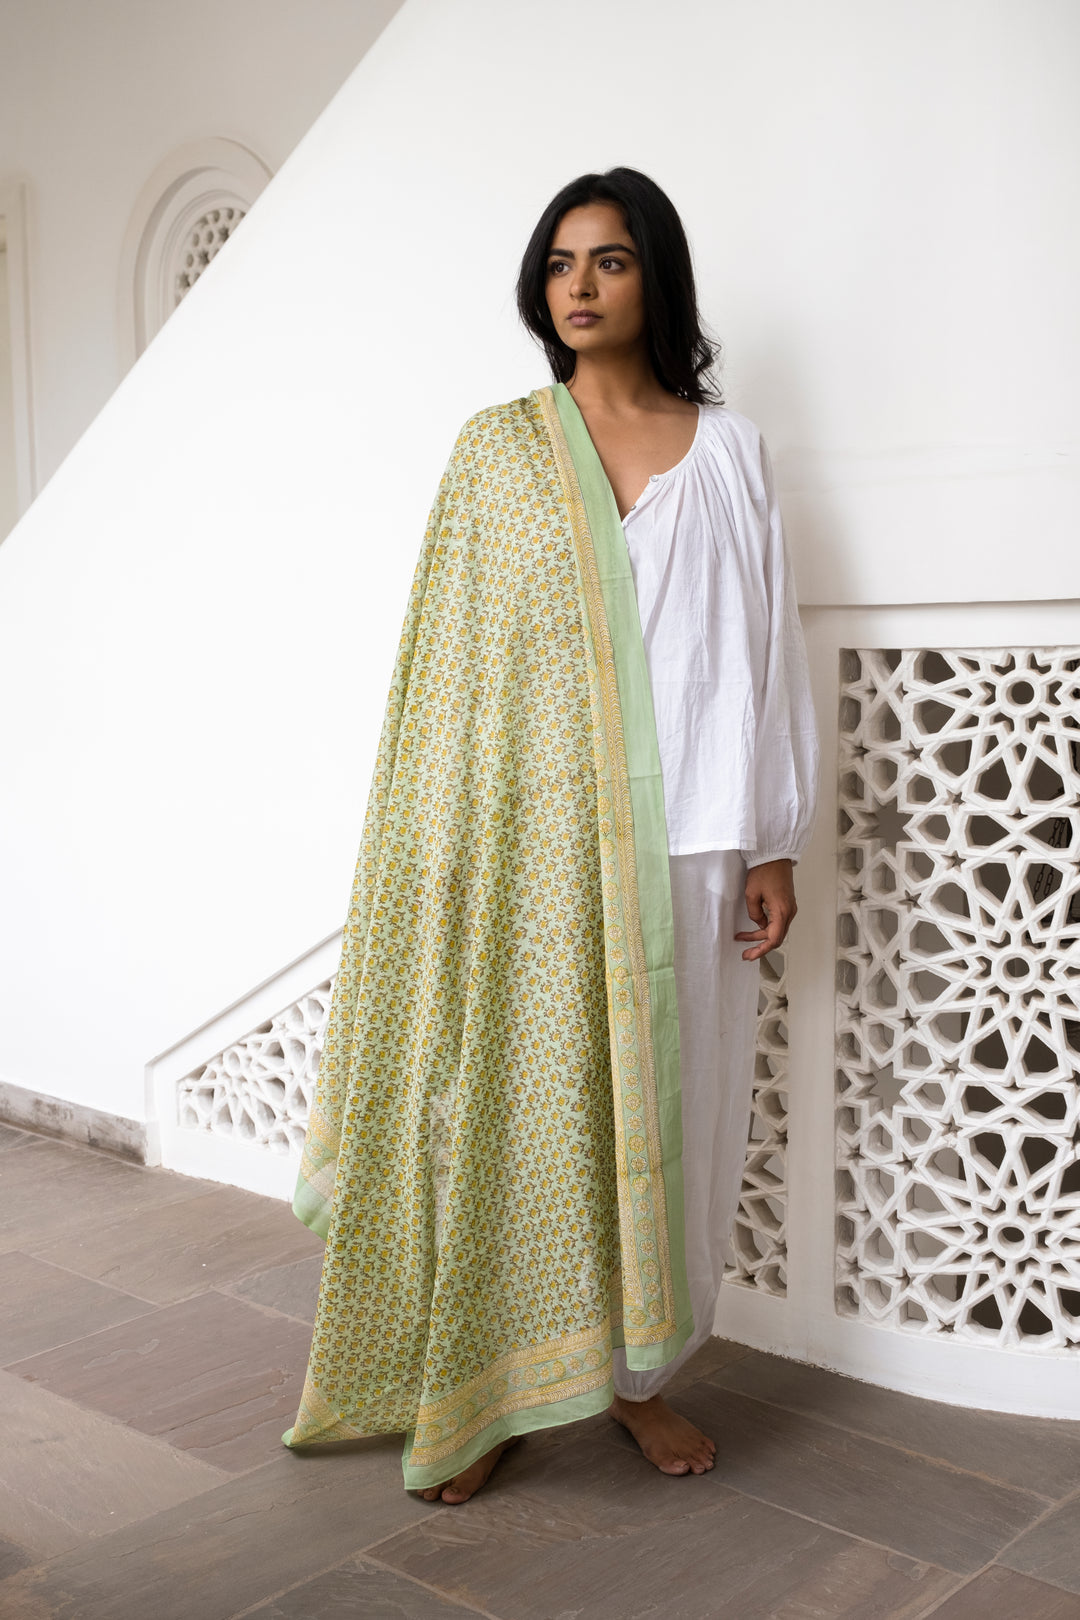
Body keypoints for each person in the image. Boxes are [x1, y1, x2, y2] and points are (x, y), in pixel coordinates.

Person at [283, 167, 818, 1504]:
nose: (580, 285)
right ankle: (495, 1386)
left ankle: (634, 1381)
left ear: (656, 279)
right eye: (561, 263)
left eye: (611, 260)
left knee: (675, 1117)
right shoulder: (498, 453)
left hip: (692, 836)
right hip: (534, 847)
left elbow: (763, 649)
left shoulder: (731, 451)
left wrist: (772, 838)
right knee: (519, 1110)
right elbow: (453, 673)